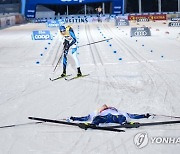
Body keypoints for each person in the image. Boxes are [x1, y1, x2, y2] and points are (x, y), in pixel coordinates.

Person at [67, 104, 152, 125]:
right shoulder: (97, 112)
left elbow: (132, 115)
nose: (106, 107)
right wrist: (74, 118)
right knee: (96, 118)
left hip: (114, 117)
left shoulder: (116, 111)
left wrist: (144, 115)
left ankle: (124, 123)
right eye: (104, 107)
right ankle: (93, 124)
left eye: (107, 106)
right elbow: (85, 118)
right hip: (103, 118)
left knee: (121, 117)